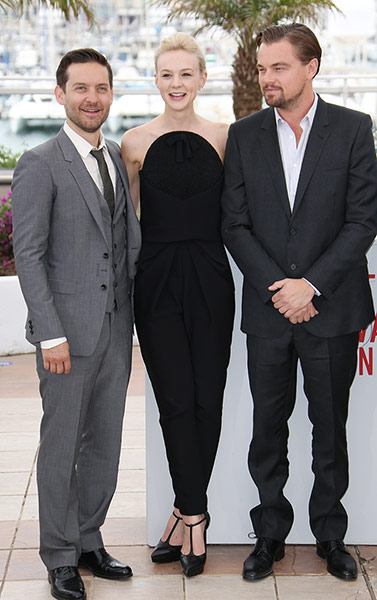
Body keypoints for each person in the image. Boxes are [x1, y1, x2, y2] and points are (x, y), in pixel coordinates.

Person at [222, 23, 377, 582]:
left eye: (278, 67)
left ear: (311, 66)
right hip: (269, 311)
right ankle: (268, 535)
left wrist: (309, 286)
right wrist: (281, 289)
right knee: (268, 429)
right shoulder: (244, 135)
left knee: (329, 429)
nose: (267, 78)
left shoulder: (355, 129)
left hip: (330, 309)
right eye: (263, 69)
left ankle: (330, 536)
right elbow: (234, 226)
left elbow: (363, 220)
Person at [12, 48, 141, 600]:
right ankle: (59, 555)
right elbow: (30, 253)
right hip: (67, 332)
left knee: (105, 444)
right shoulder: (40, 162)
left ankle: (89, 538)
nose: (93, 98)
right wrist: (51, 333)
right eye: (81, 88)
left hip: (116, 329)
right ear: (60, 94)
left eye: (102, 88)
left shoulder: (114, 154)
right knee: (62, 445)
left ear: (112, 94)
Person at [121, 32, 235, 577]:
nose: (176, 84)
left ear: (202, 78)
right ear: (156, 80)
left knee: (207, 398)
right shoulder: (133, 143)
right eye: (166, 74)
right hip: (157, 279)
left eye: (185, 74)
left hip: (212, 276)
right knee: (174, 400)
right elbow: (127, 226)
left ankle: (184, 511)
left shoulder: (225, 137)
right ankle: (196, 516)